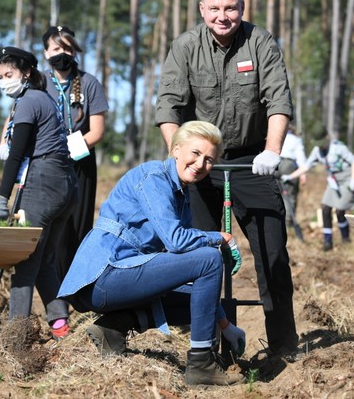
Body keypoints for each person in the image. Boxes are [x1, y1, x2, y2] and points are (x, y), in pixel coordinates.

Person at [155, 0, 299, 357]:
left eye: (230, 8)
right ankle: (204, 341)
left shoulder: (260, 42)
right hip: (202, 162)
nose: (223, 16)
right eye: (215, 9)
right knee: (199, 256)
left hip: (253, 161)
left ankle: (284, 346)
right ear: (203, 10)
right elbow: (169, 105)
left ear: (242, 9)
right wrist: (180, 155)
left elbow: (278, 100)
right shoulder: (186, 46)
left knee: (272, 254)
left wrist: (272, 150)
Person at [58, 121, 245, 386]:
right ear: (176, 149)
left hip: (125, 277)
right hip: (105, 275)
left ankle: (113, 328)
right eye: (195, 153)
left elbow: (179, 260)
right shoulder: (154, 178)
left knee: (202, 296)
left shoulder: (182, 196)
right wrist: (220, 238)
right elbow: (177, 241)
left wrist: (226, 325)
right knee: (210, 258)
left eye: (209, 160)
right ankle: (201, 363)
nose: (201, 164)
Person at [0, 46, 79, 340]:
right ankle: (60, 325)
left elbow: (16, 156)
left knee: (26, 261)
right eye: (0, 76)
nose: (4, 81)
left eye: (10, 74)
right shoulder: (44, 99)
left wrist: (1, 198)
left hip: (44, 183)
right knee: (45, 260)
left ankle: (15, 336)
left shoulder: (27, 102)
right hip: (66, 185)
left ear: (26, 73)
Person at [41, 25, 108, 280]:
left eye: (67, 48)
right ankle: (54, 289)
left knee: (78, 228)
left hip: (81, 164)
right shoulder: (39, 82)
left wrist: (69, 149)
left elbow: (97, 131)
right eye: (56, 48)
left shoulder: (90, 83)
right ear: (46, 52)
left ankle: (78, 285)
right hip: (48, 166)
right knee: (52, 229)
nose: (62, 53)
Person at [282, 123, 354, 251]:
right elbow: (306, 166)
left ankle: (346, 239)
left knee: (340, 211)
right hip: (333, 180)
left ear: (327, 137)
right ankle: (328, 242)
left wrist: (353, 179)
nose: (321, 145)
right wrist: (290, 176)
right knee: (325, 207)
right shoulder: (317, 151)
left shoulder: (338, 147)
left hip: (346, 179)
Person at [278, 125, 308, 222]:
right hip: (289, 166)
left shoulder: (276, 136)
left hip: (275, 164)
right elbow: (301, 158)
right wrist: (303, 174)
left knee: (276, 194)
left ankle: (278, 220)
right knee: (290, 195)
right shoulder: (296, 139)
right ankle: (288, 221)